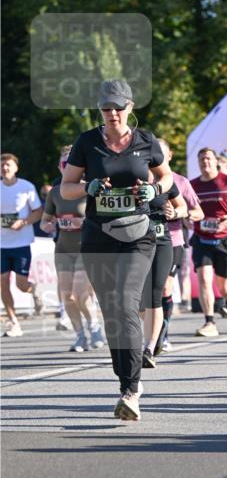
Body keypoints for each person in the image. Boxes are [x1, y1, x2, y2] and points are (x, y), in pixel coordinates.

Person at [60, 79, 172, 420]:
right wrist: (88, 187)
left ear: (130, 107)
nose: (112, 114)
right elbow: (65, 189)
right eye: (106, 108)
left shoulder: (146, 140)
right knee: (111, 311)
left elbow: (166, 177)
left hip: (139, 235)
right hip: (98, 237)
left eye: (118, 108)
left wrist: (154, 190)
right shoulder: (87, 142)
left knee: (125, 302)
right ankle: (125, 375)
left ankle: (131, 389)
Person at [41, 145, 105, 352]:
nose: (67, 166)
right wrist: (48, 225)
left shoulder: (90, 188)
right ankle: (80, 336)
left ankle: (94, 327)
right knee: (67, 296)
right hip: (63, 249)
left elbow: (102, 218)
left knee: (79, 293)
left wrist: (85, 222)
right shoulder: (56, 191)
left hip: (87, 248)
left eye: (71, 163)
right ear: (60, 167)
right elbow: (45, 220)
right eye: (63, 163)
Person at [153, 139, 203, 353]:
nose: (157, 159)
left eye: (162, 154)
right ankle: (148, 333)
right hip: (145, 240)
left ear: (170, 156)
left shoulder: (180, 181)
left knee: (165, 287)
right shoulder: (142, 179)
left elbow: (198, 211)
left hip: (172, 240)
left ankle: (162, 335)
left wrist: (180, 213)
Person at [190, 147, 227, 336]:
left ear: (216, 161)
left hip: (225, 239)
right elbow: (184, 206)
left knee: (225, 287)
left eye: (208, 159)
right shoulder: (193, 185)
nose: (205, 162)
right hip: (201, 239)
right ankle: (209, 322)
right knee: (204, 279)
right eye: (201, 159)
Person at [139, 175, 188, 368]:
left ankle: (149, 348)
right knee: (139, 300)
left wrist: (174, 212)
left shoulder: (165, 181)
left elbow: (182, 207)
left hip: (162, 242)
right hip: (135, 244)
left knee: (154, 295)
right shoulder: (129, 177)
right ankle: (156, 327)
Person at [1, 152, 43, 336]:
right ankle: (13, 322)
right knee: (3, 283)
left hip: (21, 242)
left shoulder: (27, 187)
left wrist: (24, 222)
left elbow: (39, 211)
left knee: (21, 285)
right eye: (2, 165)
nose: (4, 168)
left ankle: (34, 289)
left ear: (16, 167)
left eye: (8, 164)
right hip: (1, 244)